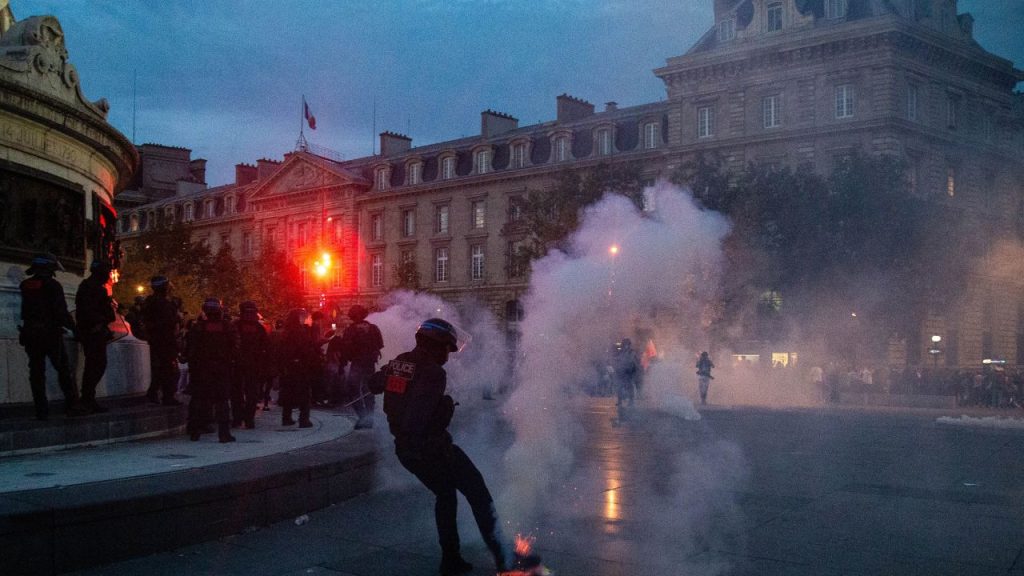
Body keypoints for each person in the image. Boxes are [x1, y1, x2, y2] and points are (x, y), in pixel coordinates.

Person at [374, 318, 508, 576]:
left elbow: (373, 383)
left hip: (405, 450)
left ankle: (451, 558)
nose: (448, 354)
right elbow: (418, 417)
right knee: (477, 492)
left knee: (446, 495)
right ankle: (503, 556)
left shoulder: (400, 362)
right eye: (447, 348)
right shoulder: (433, 372)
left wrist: (394, 381)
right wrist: (443, 410)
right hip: (430, 448)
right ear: (436, 345)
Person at [19, 253, 85, 420]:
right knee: (63, 370)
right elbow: (61, 311)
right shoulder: (53, 285)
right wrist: (74, 329)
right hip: (50, 334)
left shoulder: (26, 284)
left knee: (36, 372)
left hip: (31, 334)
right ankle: (72, 405)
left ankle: (41, 410)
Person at [184, 298, 238, 442]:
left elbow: (190, 348)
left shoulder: (198, 327)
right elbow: (235, 347)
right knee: (222, 401)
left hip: (202, 369)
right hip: (221, 368)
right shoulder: (227, 327)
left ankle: (194, 431)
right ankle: (224, 433)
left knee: (199, 400)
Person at [329, 304, 384, 429]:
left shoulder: (351, 329)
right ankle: (369, 417)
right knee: (368, 390)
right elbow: (380, 345)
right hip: (370, 363)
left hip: (357, 363)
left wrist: (342, 366)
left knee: (352, 389)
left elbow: (345, 349)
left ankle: (363, 416)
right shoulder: (373, 328)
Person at [74, 259, 116, 414]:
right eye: (107, 272)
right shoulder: (96, 289)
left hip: (90, 331)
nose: (108, 275)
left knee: (94, 365)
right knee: (96, 365)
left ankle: (88, 399)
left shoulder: (86, 286)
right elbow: (104, 313)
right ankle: (87, 399)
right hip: (94, 332)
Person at [142, 276, 182, 405]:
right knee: (168, 369)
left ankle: (156, 392)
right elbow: (166, 321)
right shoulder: (160, 303)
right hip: (163, 339)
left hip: (162, 339)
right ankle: (166, 396)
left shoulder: (153, 301)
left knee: (163, 368)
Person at [278, 308, 319, 428]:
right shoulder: (300, 332)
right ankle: (304, 419)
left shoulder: (286, 332)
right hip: (300, 366)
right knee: (305, 393)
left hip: (288, 366)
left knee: (288, 393)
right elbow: (305, 348)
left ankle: (286, 417)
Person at [232, 301, 269, 429]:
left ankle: (237, 418)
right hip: (253, 364)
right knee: (251, 393)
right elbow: (266, 348)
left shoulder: (235, 326)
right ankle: (249, 419)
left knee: (237, 392)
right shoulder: (259, 328)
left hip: (237, 364)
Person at [613, 339, 640, 408]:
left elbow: (634, 361)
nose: (625, 346)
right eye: (624, 344)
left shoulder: (632, 352)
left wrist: (635, 370)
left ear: (629, 345)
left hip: (629, 371)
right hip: (622, 371)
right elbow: (618, 360)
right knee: (620, 386)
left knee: (630, 387)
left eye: (626, 344)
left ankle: (631, 402)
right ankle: (620, 401)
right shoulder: (621, 352)